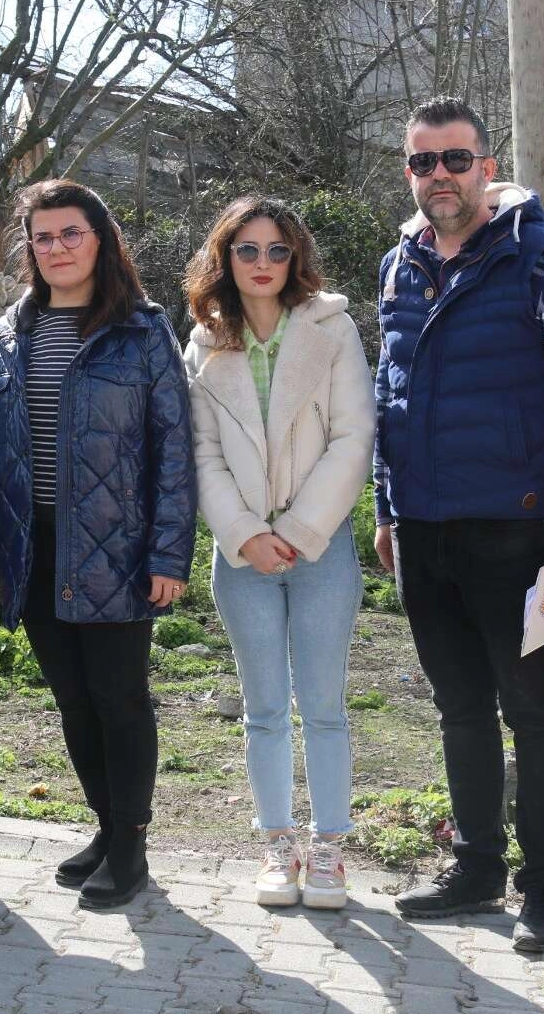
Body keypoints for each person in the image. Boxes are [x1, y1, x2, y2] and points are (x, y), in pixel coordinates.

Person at [372, 96, 544, 952]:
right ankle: (476, 865)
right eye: (422, 161)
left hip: (518, 528)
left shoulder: (543, 259)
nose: (439, 175)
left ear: (486, 162)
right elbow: (388, 396)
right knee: (459, 708)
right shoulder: (397, 264)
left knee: (534, 710)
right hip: (424, 529)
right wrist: (385, 504)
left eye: (454, 158)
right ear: (408, 170)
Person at [0, 179, 196, 910]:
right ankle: (105, 828)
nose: (56, 247)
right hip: (31, 546)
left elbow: (174, 450)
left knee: (119, 698)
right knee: (73, 701)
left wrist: (167, 554)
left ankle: (131, 846)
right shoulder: (4, 338)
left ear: (101, 241)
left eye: (71, 234)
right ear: (30, 248)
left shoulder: (142, 330)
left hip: (116, 546)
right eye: (44, 236)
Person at [182, 197, 374, 909]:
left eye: (276, 251)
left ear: (295, 258)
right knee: (262, 707)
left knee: (323, 704)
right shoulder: (204, 341)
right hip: (242, 555)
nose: (262, 264)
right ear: (225, 258)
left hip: (319, 547)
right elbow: (200, 453)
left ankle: (327, 850)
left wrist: (297, 529)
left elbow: (355, 437)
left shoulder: (332, 328)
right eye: (247, 250)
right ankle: (276, 844)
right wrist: (245, 534)